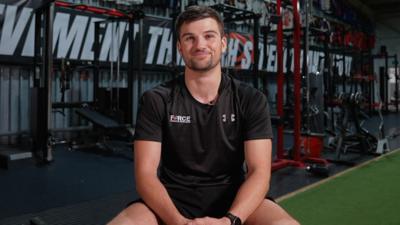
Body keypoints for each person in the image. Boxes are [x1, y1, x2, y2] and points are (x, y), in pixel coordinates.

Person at [108, 5, 300, 225]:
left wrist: (230, 221)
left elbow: (259, 173)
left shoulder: (251, 99)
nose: (200, 45)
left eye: (209, 36)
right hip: (171, 201)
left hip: (234, 200)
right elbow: (145, 176)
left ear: (223, 43)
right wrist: (180, 223)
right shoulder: (156, 100)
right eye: (190, 38)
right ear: (180, 47)